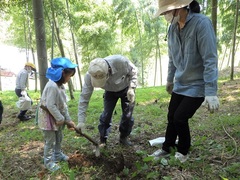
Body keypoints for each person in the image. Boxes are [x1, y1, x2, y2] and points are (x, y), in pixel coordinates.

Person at [150, 0, 220, 163]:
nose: (165, 16)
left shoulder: (202, 24)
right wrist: (169, 80)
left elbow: (210, 59)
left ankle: (183, 150)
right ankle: (166, 148)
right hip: (180, 83)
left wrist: (211, 92)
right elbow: (172, 59)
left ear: (180, 8)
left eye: (167, 12)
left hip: (198, 84)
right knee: (171, 116)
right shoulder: (172, 29)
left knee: (180, 117)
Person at [77, 55, 137, 147]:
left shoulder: (121, 62)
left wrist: (131, 88)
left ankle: (123, 137)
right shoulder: (89, 76)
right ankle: (103, 139)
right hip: (109, 91)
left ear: (108, 71)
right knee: (106, 115)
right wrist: (81, 121)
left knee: (127, 115)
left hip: (126, 89)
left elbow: (134, 72)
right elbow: (84, 98)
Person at [37, 57, 76, 172]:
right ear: (62, 73)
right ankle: (48, 162)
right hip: (48, 117)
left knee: (59, 137)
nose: (69, 79)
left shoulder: (61, 86)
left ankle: (57, 155)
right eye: (69, 76)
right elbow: (50, 105)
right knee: (50, 141)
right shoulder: (52, 86)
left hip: (57, 117)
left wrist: (68, 120)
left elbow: (63, 105)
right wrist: (60, 118)